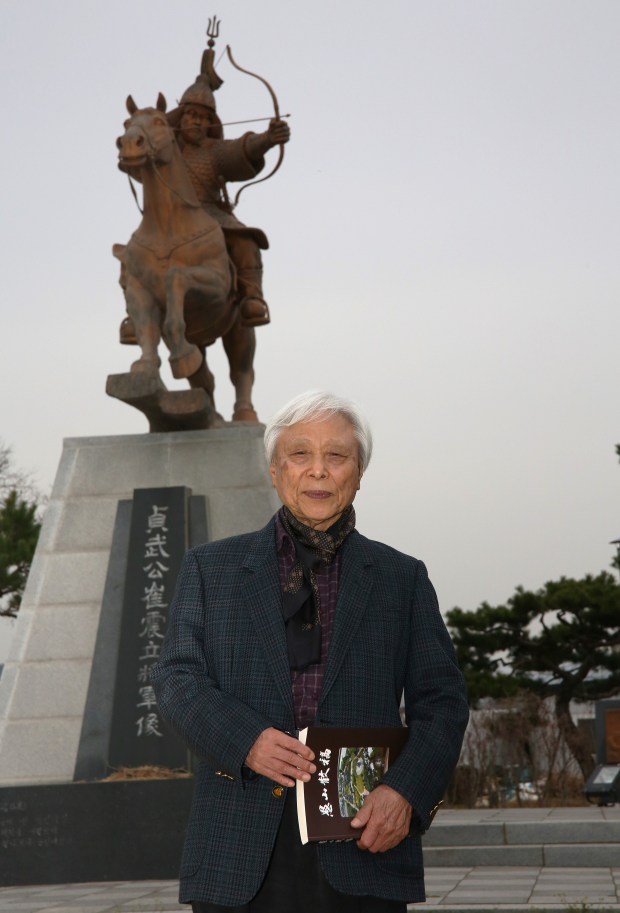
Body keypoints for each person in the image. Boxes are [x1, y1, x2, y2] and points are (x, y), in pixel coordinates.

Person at [152, 391, 469, 911]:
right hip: (238, 844)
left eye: (336, 456)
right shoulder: (211, 569)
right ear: (275, 470)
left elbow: (443, 702)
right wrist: (247, 740)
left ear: (359, 471)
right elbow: (176, 680)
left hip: (364, 838)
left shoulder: (401, 578)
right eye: (300, 454)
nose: (318, 471)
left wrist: (406, 794)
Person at [170, 73, 290, 328]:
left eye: (204, 118)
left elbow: (241, 149)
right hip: (170, 218)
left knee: (245, 240)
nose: (198, 122)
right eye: (192, 115)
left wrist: (267, 139)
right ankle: (135, 313)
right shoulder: (164, 150)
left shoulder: (214, 150)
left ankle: (251, 296)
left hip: (211, 215)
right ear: (181, 117)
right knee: (137, 252)